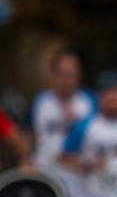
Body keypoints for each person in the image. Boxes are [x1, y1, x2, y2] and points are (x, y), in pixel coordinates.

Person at [24, 50, 94, 185]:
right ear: (53, 75)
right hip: (46, 175)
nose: (67, 80)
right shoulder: (40, 101)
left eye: (71, 75)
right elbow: (29, 134)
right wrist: (26, 160)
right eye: (63, 75)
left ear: (80, 76)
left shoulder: (90, 102)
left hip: (81, 181)